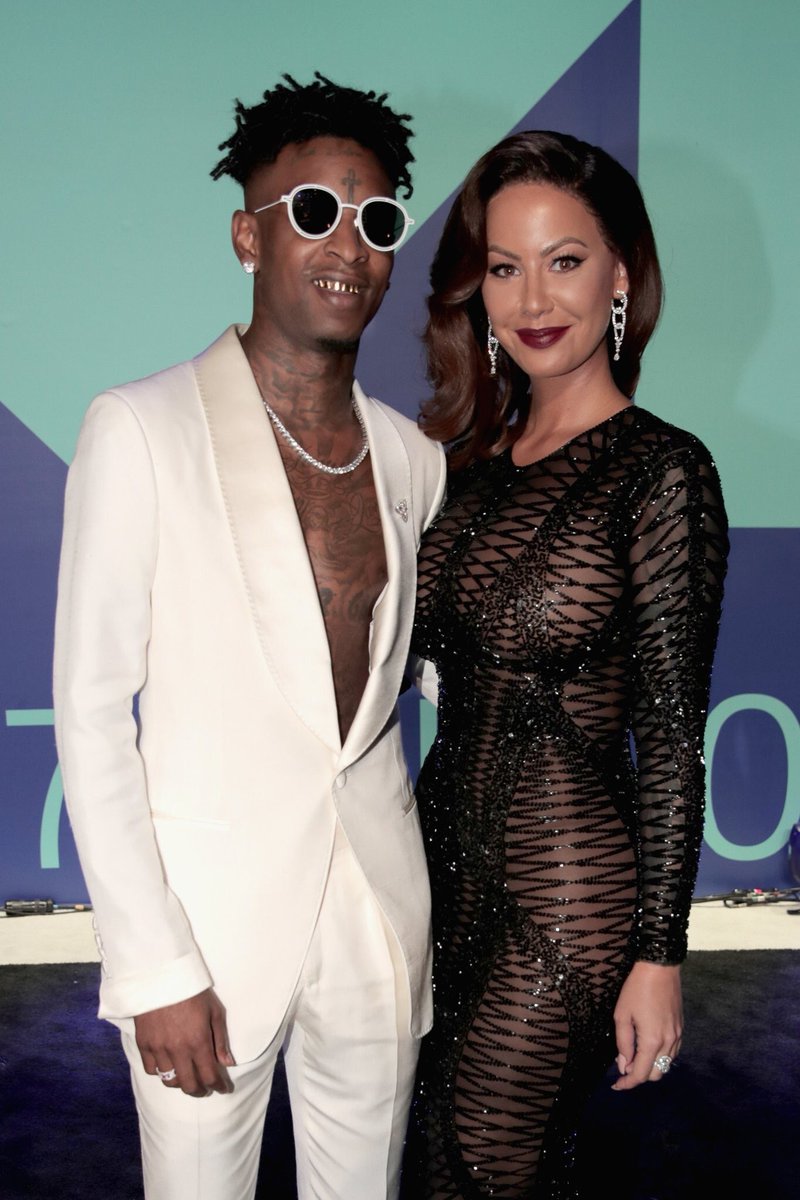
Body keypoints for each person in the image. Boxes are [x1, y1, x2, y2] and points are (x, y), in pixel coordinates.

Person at [53, 72, 446, 1200]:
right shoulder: (140, 427)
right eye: (314, 211)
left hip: (375, 916)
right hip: (207, 935)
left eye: (376, 220)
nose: (349, 246)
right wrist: (153, 963)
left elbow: (422, 673)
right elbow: (91, 711)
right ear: (247, 236)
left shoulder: (412, 458)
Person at [402, 130, 729, 1198]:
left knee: (489, 1155)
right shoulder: (465, 470)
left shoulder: (662, 471)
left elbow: (671, 733)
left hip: (567, 893)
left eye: (565, 260)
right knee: (443, 1160)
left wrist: (659, 955)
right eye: (504, 267)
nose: (533, 298)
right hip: (437, 872)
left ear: (620, 275)